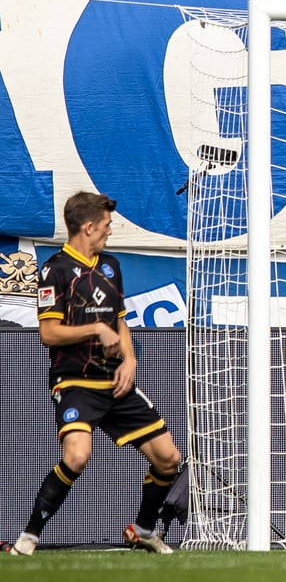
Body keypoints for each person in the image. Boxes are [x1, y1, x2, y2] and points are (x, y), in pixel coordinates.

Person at [4, 192, 181, 556]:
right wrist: (95, 330)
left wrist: (131, 361)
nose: (109, 231)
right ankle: (28, 539)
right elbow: (48, 334)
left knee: (169, 458)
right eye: (105, 226)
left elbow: (119, 321)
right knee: (77, 456)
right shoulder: (55, 270)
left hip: (114, 380)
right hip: (75, 383)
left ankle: (144, 530)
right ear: (88, 227)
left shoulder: (110, 266)